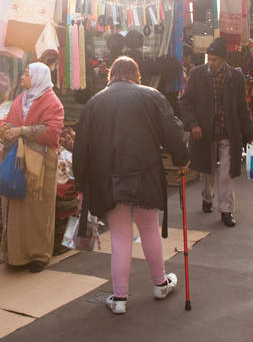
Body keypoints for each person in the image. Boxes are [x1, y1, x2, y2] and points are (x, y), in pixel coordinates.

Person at [73, 56, 188, 315]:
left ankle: (120, 298)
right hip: (145, 174)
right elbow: (172, 131)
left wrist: (81, 182)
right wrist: (182, 159)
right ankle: (160, 283)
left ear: (111, 74)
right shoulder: (152, 96)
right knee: (149, 228)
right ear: (136, 74)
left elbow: (81, 148)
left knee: (120, 235)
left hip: (108, 179)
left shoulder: (94, 102)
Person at [180, 36, 253, 227]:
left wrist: (250, 135)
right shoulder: (197, 74)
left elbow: (242, 107)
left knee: (226, 173)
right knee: (208, 171)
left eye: (215, 59)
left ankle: (226, 210)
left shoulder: (236, 77)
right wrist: (193, 124)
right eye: (209, 59)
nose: (211, 63)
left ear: (224, 59)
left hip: (229, 133)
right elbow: (185, 102)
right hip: (204, 132)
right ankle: (207, 197)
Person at [0, 62, 65, 272]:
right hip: (19, 160)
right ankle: (16, 255)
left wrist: (21, 131)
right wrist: (5, 128)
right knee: (16, 207)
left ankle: (38, 255)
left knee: (38, 208)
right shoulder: (20, 99)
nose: (22, 77)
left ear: (37, 77)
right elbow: (11, 121)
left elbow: (52, 132)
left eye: (27, 74)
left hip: (42, 162)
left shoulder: (53, 103)